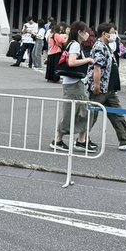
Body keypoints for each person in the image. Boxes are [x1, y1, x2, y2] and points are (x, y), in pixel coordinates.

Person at [89, 23, 126, 150]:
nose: (114, 35)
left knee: (117, 115)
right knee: (91, 116)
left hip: (110, 88)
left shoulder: (106, 46)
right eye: (112, 32)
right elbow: (97, 67)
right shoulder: (99, 46)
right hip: (101, 88)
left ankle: (125, 140)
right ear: (104, 34)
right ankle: (81, 139)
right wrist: (96, 86)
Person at [51, 21, 98, 153]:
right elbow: (71, 62)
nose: (88, 34)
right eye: (85, 31)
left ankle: (80, 140)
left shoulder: (72, 43)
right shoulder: (75, 45)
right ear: (79, 32)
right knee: (74, 113)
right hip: (74, 85)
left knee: (83, 112)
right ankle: (59, 140)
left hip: (74, 83)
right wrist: (88, 60)